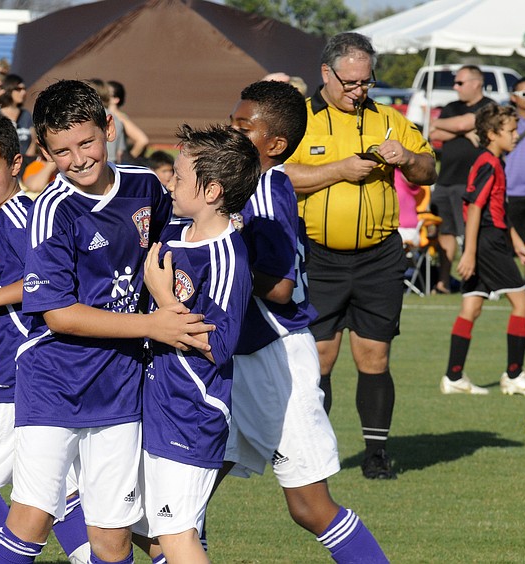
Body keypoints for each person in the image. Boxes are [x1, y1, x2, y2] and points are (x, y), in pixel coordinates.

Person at [0, 79, 212, 564]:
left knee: (112, 534)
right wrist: (153, 326)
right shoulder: (51, 210)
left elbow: (177, 252)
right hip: (55, 383)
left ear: (108, 128)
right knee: (33, 516)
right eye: (61, 151)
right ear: (43, 151)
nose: (79, 158)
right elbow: (59, 313)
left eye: (86, 142)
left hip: (121, 387)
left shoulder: (146, 186)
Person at [224, 80, 388, 562]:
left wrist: (220, 258)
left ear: (273, 145)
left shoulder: (268, 190)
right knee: (182, 498)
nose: (231, 133)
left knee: (310, 507)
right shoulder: (243, 186)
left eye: (242, 127)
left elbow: (277, 287)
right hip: (234, 357)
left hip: (276, 359)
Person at [285, 32, 437, 480]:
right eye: (350, 82)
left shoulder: (389, 118)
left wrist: (407, 157)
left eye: (365, 82)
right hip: (318, 256)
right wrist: (340, 170)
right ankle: (317, 455)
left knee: (375, 357)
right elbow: (278, 175)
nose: (358, 91)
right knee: (320, 359)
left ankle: (376, 455)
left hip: (379, 256)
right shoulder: (299, 120)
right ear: (326, 74)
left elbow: (430, 169)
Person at [0, 111, 90, 563]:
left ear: (14, 164)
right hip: (23, 365)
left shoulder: (20, 215)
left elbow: (43, 276)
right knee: (55, 488)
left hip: (22, 369)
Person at [134, 123, 257, 563]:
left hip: (192, 410)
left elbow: (220, 345)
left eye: (179, 178)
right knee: (136, 523)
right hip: (152, 402)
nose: (169, 182)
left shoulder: (228, 256)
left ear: (212, 192)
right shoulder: (173, 233)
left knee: (178, 534)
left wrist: (164, 298)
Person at [440, 104, 525, 397]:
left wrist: (517, 241)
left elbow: (498, 207)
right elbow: (476, 207)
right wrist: (469, 252)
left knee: (472, 306)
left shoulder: (495, 161)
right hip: (487, 242)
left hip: (490, 239)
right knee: (522, 304)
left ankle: (453, 376)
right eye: (511, 131)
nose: (516, 136)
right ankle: (514, 375)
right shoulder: (489, 163)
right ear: (492, 134)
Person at [429, 65, 495, 295]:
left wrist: (457, 126)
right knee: (444, 232)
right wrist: (465, 131)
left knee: (470, 232)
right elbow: (433, 132)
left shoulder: (488, 107)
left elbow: (455, 124)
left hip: (471, 182)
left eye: (460, 82)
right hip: (445, 179)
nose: (455, 87)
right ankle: (444, 282)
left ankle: (477, 282)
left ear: (476, 83)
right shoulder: (452, 107)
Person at [505, 77, 525, 289]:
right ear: (513, 98)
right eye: (524, 93)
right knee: (507, 243)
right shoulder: (506, 122)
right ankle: (506, 284)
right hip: (510, 192)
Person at [0, 73, 37, 167]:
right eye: (18, 89)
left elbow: (33, 141)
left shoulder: (26, 115)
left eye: (24, 89)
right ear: (8, 90)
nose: (23, 92)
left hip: (26, 164)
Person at [107, 80, 149, 161]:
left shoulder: (119, 117)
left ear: (116, 99)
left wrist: (128, 161)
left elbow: (142, 140)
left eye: (107, 94)